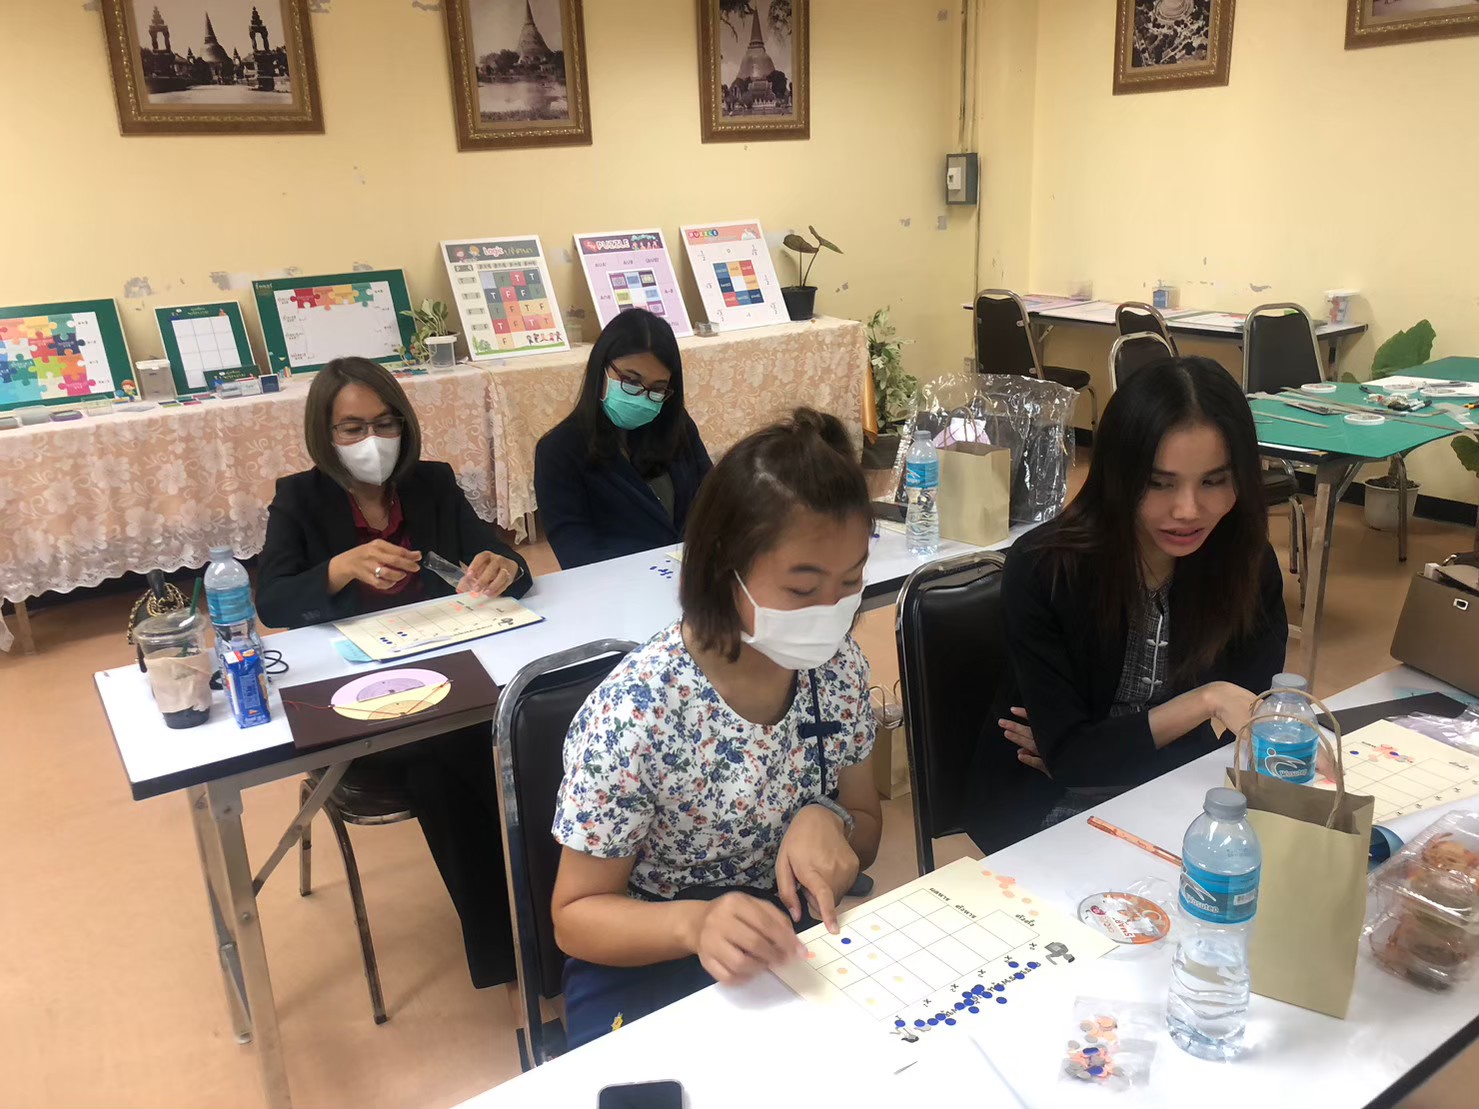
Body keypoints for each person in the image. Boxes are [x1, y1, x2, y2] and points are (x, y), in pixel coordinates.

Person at [549, 408, 881, 1047]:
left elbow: (865, 827)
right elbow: (576, 917)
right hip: (652, 950)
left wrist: (831, 821)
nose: (833, 611)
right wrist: (698, 925)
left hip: (786, 936)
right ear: (725, 569)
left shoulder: (837, 670)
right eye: (802, 588)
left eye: (851, 581)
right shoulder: (637, 712)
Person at [257, 355, 531, 988]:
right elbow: (273, 601)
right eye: (352, 428)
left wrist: (505, 567)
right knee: (461, 758)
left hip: (450, 682)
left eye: (385, 423)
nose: (372, 440)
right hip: (362, 701)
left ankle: (523, 943)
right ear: (324, 434)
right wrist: (337, 570)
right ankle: (524, 944)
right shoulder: (300, 499)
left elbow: (502, 558)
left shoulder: (431, 483)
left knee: (472, 753)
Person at [963, 357, 1288, 854]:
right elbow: (1073, 763)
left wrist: (1105, 754)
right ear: (1118, 474)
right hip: (1046, 810)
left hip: (1180, 795)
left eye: (1213, 481)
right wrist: (1207, 701)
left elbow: (1248, 728)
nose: (1187, 510)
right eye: (1159, 483)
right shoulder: (1047, 568)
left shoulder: (1246, 563)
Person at [534, 309, 712, 569]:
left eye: (658, 388)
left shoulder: (676, 425)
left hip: (692, 573)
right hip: (619, 583)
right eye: (630, 381)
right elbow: (576, 552)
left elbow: (711, 500)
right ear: (601, 370)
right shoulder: (559, 450)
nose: (642, 397)